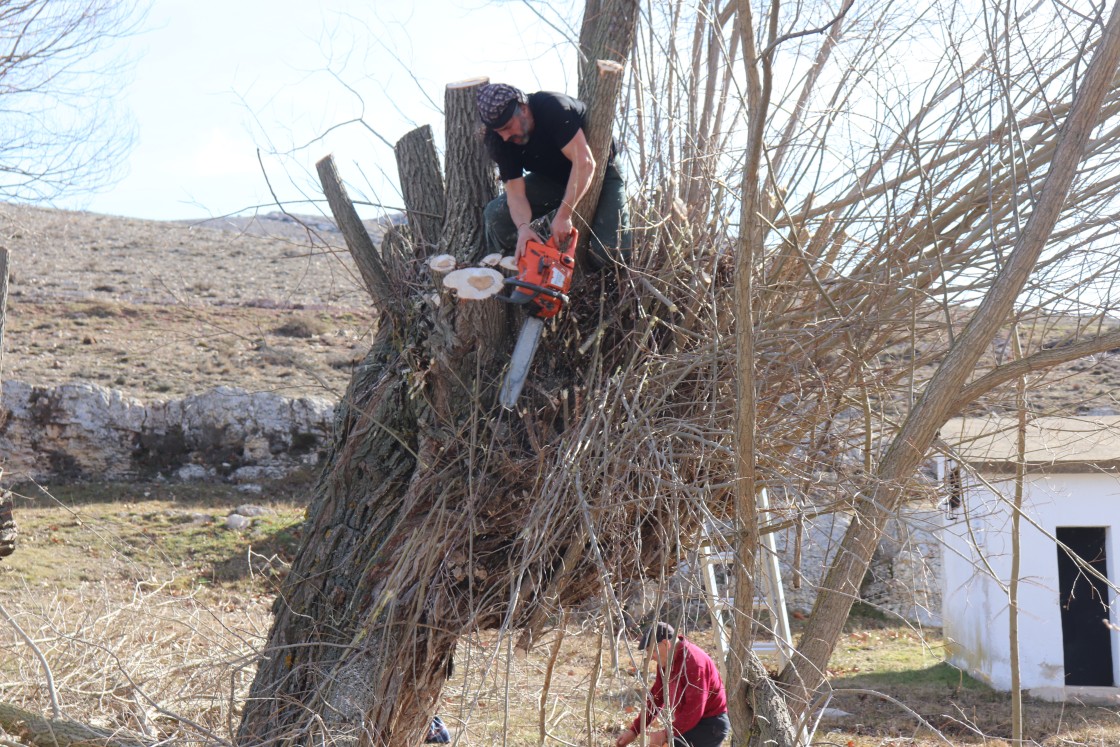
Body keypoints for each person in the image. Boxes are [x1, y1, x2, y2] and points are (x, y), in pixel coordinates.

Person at [476, 82, 631, 270]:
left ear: (523, 108)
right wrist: (523, 228)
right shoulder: (500, 141)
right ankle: (526, 277)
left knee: (611, 252)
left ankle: (605, 288)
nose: (505, 137)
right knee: (496, 215)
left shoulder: (551, 107)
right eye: (499, 131)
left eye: (508, 127)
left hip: (601, 172)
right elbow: (516, 195)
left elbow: (585, 163)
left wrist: (564, 214)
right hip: (552, 179)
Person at [615, 622, 730, 747]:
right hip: (689, 722)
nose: (650, 657)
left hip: (710, 724)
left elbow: (694, 709)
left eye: (651, 651)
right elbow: (657, 698)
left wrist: (665, 734)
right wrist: (634, 730)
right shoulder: (666, 662)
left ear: (666, 644)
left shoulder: (695, 663)